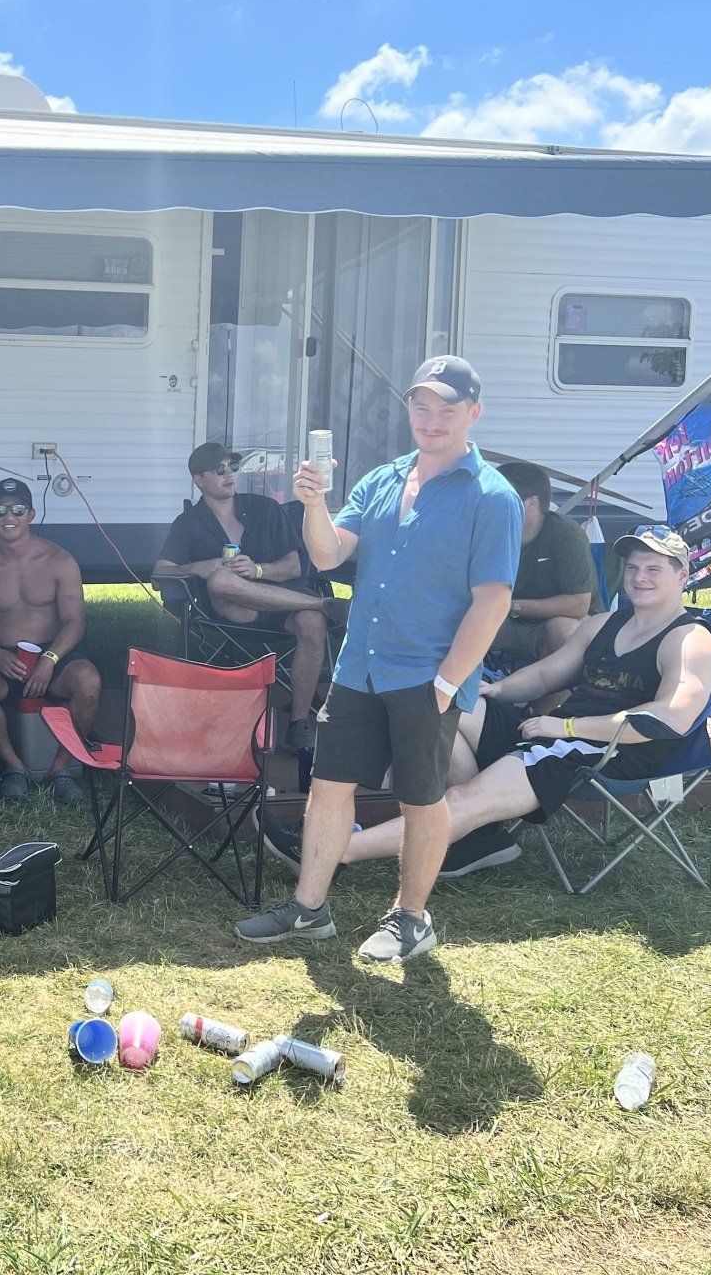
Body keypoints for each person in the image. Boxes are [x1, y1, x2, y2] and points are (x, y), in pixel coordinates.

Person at [235, 356, 522, 965]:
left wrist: (448, 684)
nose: (433, 419)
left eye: (448, 408)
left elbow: (493, 600)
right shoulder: (387, 477)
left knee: (423, 800)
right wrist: (314, 503)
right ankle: (310, 910)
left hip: (426, 677)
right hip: (359, 668)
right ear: (409, 410)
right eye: (422, 406)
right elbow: (331, 554)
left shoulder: (492, 497)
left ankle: (412, 920)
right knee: (328, 786)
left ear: (474, 413)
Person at [264, 526, 711, 878]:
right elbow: (546, 673)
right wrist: (491, 692)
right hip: (558, 735)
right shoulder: (607, 623)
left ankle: (332, 851)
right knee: (444, 705)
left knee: (466, 797)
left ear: (682, 575)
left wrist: (566, 729)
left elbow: (670, 718)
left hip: (607, 753)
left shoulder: (690, 640)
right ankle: (479, 839)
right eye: (635, 567)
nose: (639, 577)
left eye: (654, 569)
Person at [152, 440, 342, 749]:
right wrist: (202, 565)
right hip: (234, 612)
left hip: (283, 606)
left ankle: (299, 722)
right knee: (220, 581)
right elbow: (161, 570)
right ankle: (326, 605)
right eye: (219, 470)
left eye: (233, 467)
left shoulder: (264, 508)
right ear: (199, 479)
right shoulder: (189, 523)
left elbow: (294, 566)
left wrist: (259, 571)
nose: (229, 475)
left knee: (311, 622)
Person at [0, 478, 103, 804]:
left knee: (89, 681)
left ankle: (60, 769)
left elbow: (74, 623)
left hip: (55, 652)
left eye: (17, 508)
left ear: (31, 514)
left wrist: (50, 659)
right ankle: (15, 767)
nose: (8, 516)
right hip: (5, 659)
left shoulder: (60, 561)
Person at [488, 461, 601, 670]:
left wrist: (511, 606)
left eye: (500, 498)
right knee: (455, 622)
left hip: (557, 623)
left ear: (531, 503)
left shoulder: (566, 534)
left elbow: (578, 605)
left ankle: (554, 704)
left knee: (563, 630)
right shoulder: (487, 531)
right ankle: (460, 698)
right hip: (506, 623)